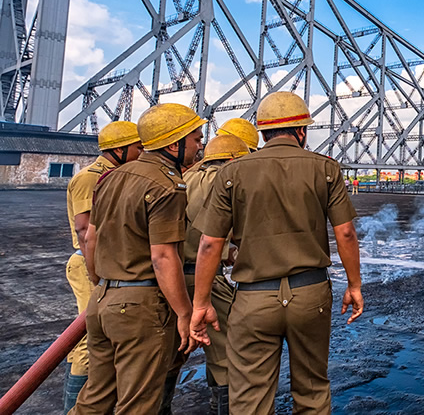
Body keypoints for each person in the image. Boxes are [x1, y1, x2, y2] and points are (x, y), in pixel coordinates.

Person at [191, 91, 363, 414]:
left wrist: (201, 303)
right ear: (302, 131)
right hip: (310, 295)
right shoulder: (326, 169)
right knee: (312, 392)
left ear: (262, 131)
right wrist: (354, 286)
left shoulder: (233, 172)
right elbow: (346, 232)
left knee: (251, 399)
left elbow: (210, 243)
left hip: (254, 298)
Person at [70, 104, 205, 414]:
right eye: (196, 139)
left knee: (95, 398)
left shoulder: (109, 179)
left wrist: (101, 284)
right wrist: (184, 314)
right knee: (138, 404)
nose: (200, 146)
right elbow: (162, 255)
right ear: (174, 144)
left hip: (103, 299)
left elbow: (89, 236)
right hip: (139, 307)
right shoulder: (168, 186)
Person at [161, 134, 249, 415]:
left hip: (170, 278)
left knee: (167, 359)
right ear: (235, 159)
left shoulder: (186, 177)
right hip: (206, 280)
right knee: (228, 358)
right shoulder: (227, 180)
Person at [62, 121, 143, 413]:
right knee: (86, 341)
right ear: (119, 149)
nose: (141, 152)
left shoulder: (117, 175)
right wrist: (98, 278)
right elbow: (84, 231)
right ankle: (73, 408)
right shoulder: (90, 178)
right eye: (137, 147)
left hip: (106, 262)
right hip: (89, 264)